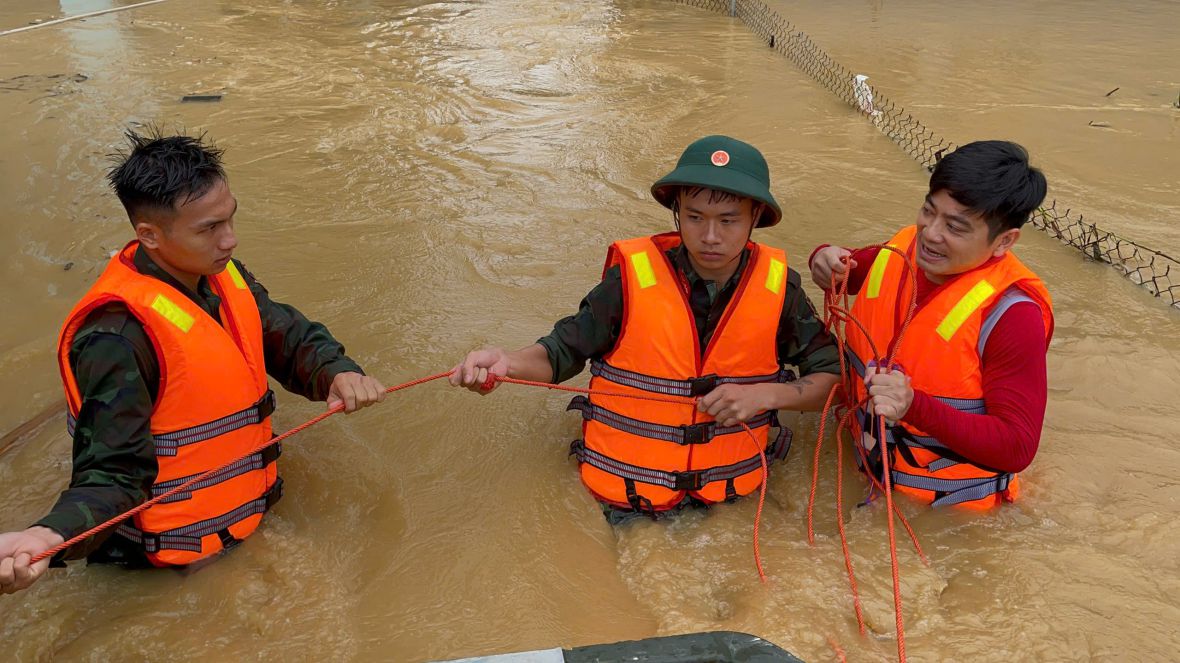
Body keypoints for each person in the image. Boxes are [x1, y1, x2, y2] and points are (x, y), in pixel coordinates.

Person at [0, 130, 386, 594]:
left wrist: (336, 372)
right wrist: (50, 534)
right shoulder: (116, 337)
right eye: (209, 229)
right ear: (149, 236)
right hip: (159, 565)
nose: (231, 240)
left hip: (243, 518)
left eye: (229, 219)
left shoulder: (223, 277)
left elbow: (287, 335)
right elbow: (111, 473)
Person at [452, 135, 841, 523]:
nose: (709, 236)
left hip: (733, 496)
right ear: (676, 212)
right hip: (627, 498)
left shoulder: (781, 290)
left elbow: (836, 379)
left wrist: (766, 395)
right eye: (694, 217)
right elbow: (561, 353)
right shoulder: (628, 282)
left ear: (756, 216)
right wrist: (507, 362)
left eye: (728, 220)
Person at [809, 140, 1052, 509]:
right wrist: (823, 258)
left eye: (955, 226)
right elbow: (847, 270)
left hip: (949, 512)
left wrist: (913, 406)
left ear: (1004, 241)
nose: (930, 233)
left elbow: (1017, 446)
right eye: (928, 210)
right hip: (863, 466)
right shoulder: (903, 249)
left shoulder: (1014, 316)